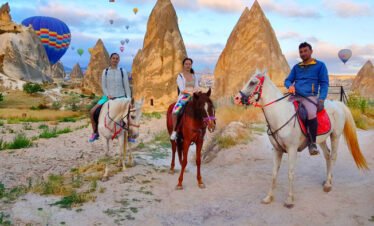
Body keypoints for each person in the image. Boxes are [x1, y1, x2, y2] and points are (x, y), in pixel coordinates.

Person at [284, 42, 329, 155]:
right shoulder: (296, 67)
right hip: (295, 96)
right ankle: (283, 139)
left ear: (311, 51)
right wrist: (290, 86)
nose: (303, 54)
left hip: (310, 96)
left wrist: (321, 99)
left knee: (310, 113)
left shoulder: (320, 65)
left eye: (305, 51)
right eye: (301, 52)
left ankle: (312, 144)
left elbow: (324, 84)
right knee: (283, 110)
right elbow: (287, 80)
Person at [88, 53, 132, 142]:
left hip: (121, 97)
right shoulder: (106, 71)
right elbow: (103, 86)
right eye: (113, 58)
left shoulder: (122, 71)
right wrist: (107, 95)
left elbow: (126, 86)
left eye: (117, 58)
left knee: (129, 114)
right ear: (110, 59)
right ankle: (95, 132)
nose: (115, 60)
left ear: (119, 60)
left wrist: (128, 99)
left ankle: (129, 135)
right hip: (108, 97)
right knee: (92, 111)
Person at [170, 57, 200, 140]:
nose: (188, 65)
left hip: (194, 96)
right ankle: (174, 131)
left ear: (191, 65)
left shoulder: (194, 76)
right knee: (175, 112)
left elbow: (197, 87)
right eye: (186, 64)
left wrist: (196, 92)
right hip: (184, 97)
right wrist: (191, 92)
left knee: (204, 107)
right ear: (183, 65)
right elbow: (182, 89)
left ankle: (202, 128)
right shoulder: (180, 76)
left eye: (189, 64)